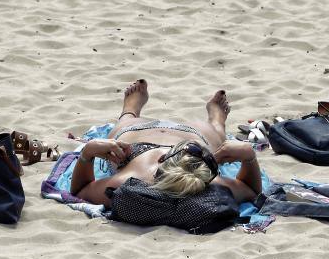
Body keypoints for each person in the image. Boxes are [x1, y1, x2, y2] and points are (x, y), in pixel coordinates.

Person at [70, 79, 262, 207]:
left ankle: (130, 109)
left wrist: (88, 152)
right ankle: (217, 121)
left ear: (162, 159)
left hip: (138, 132)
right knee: (215, 132)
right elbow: (252, 191)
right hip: (195, 133)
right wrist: (249, 157)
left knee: (127, 120)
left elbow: (79, 191)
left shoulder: (126, 181)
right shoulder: (213, 184)